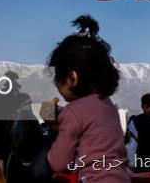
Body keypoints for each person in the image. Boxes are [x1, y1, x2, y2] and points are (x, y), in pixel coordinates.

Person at [47, 15, 130, 182]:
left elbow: (59, 163)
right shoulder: (107, 105)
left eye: (58, 76)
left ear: (72, 77)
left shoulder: (72, 112)